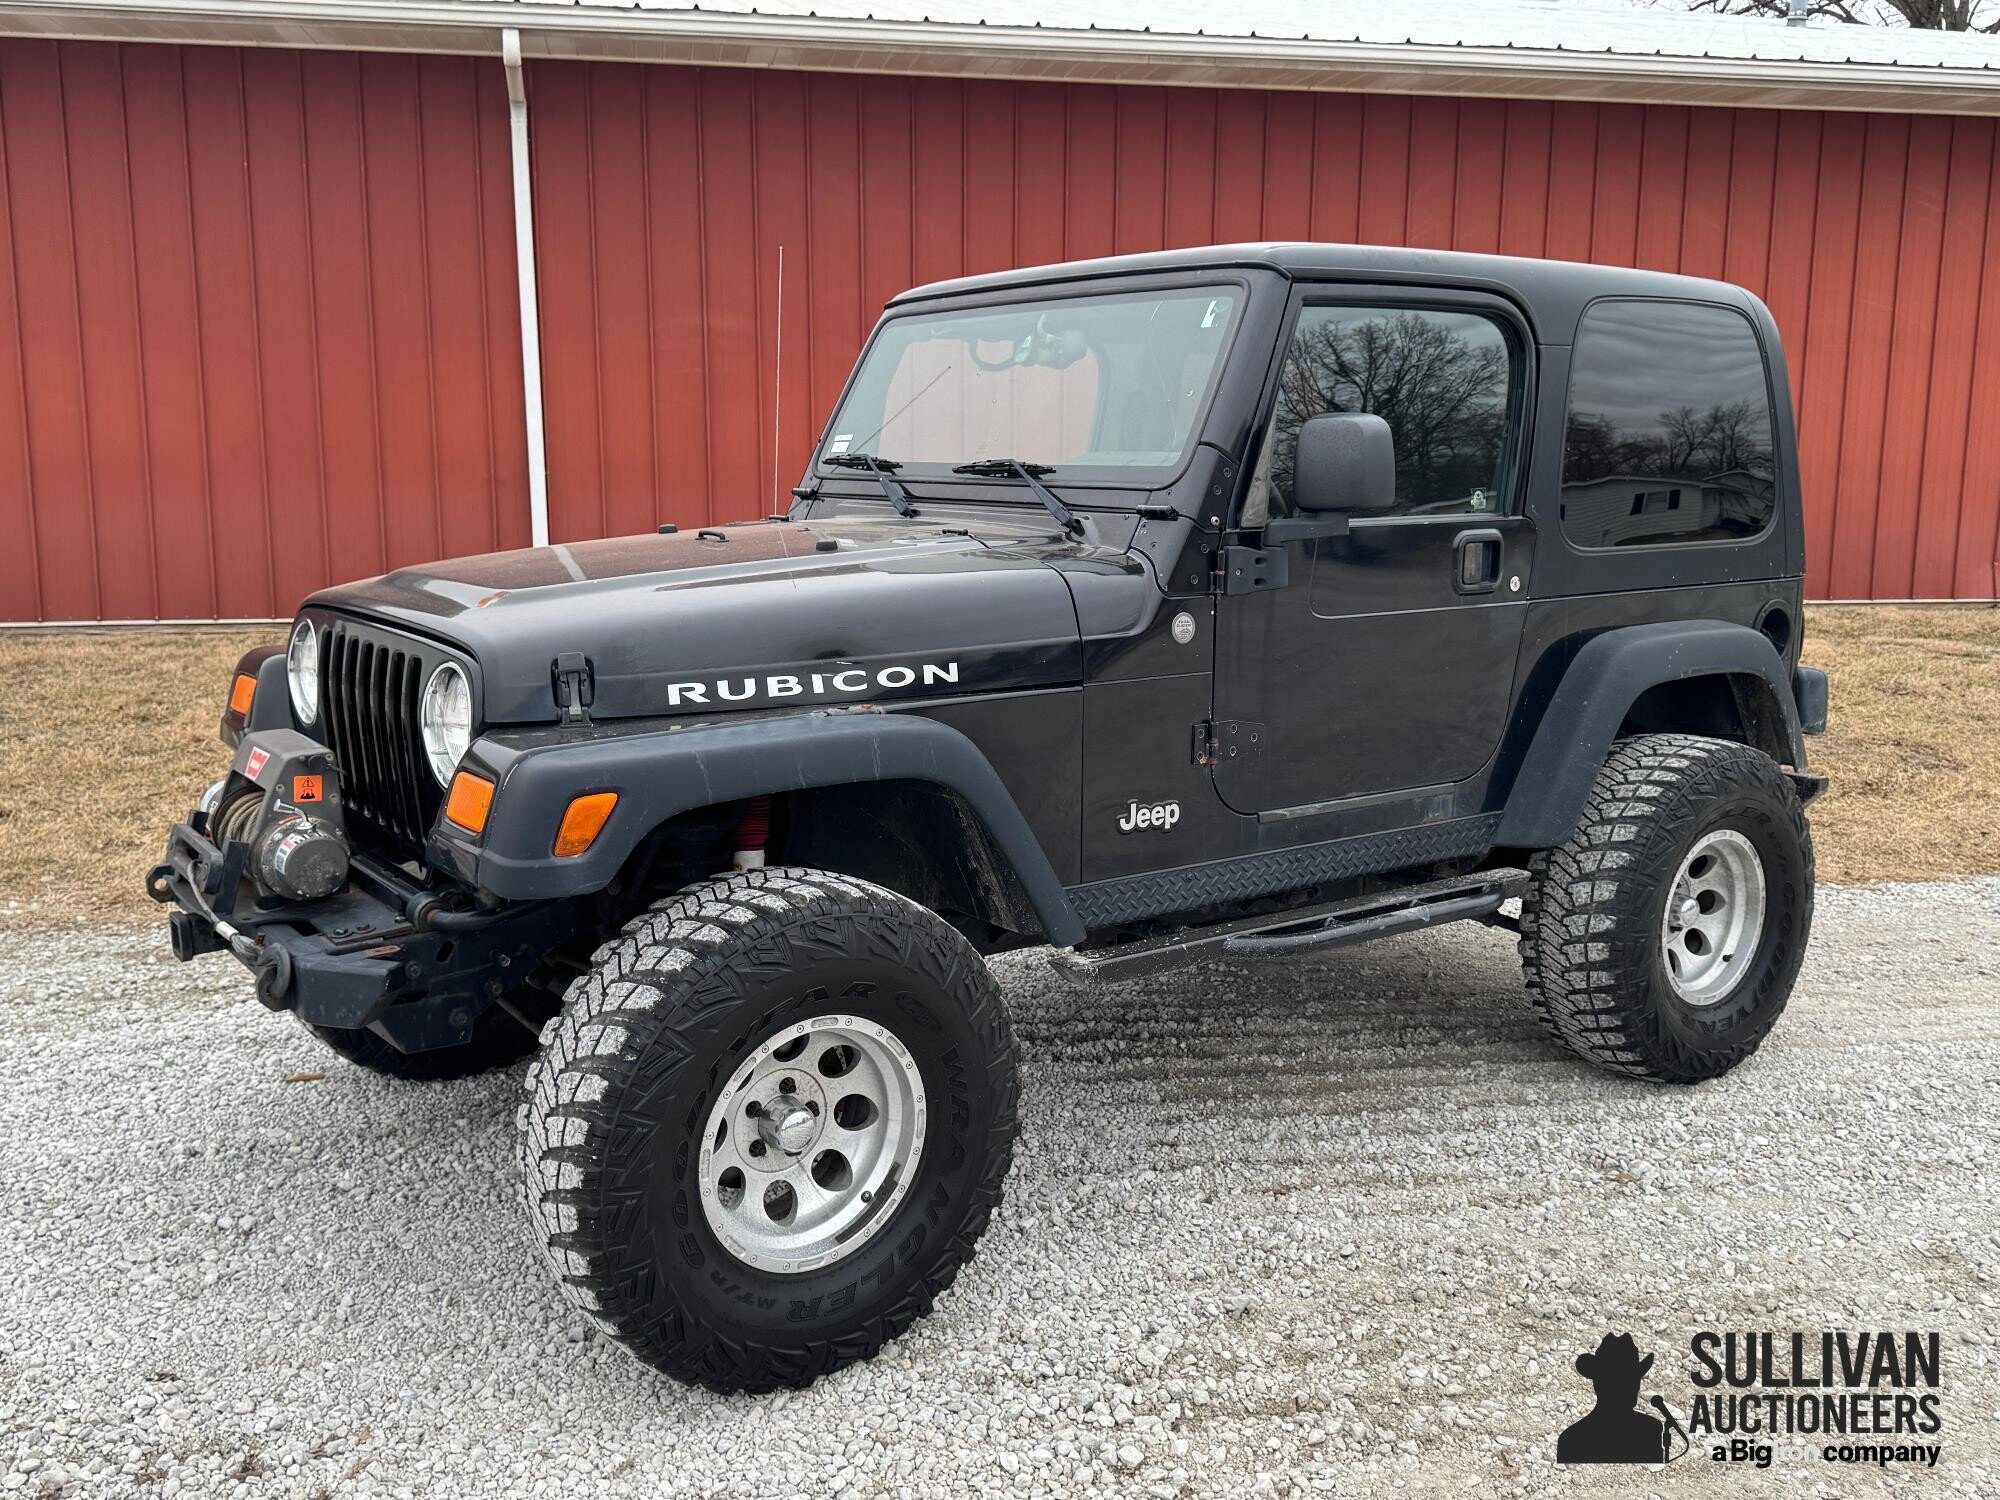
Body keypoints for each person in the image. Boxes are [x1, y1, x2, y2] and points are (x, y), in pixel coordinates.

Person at [1557, 1333, 1668, 1465]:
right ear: (1600, 1384)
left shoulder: (1571, 1439)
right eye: (1626, 1381)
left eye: (1633, 1380)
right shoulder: (1650, 1430)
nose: (1634, 1387)